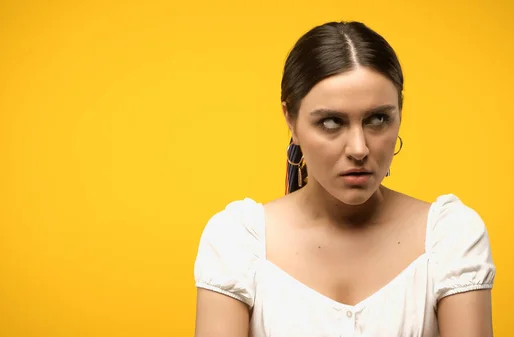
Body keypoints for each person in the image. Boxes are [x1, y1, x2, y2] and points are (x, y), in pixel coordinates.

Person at [193, 21, 496, 337]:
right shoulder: (236, 241)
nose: (359, 148)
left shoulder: (451, 237)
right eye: (330, 122)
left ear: (400, 114)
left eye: (378, 119)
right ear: (291, 121)